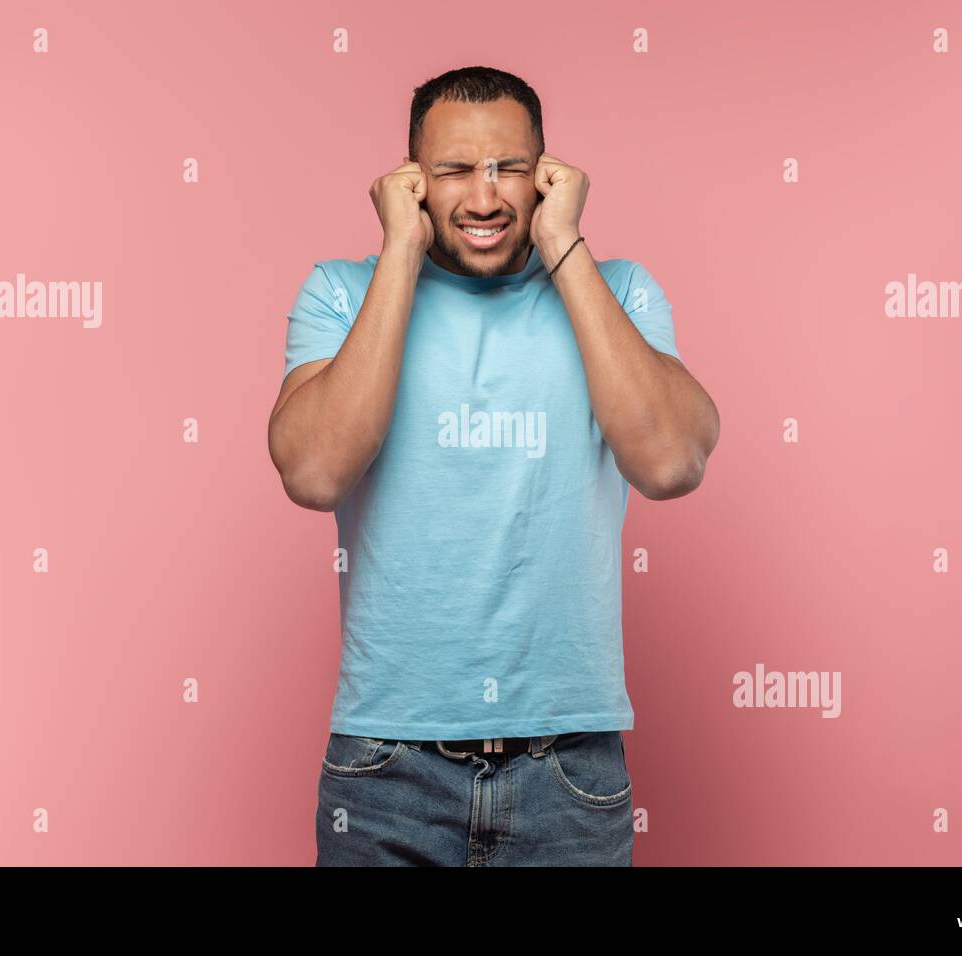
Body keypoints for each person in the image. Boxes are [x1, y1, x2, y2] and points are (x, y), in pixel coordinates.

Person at [268, 65, 720, 866]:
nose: (484, 198)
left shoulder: (620, 292)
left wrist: (563, 246)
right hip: (386, 772)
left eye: (508, 167)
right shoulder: (342, 294)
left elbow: (672, 461)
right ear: (411, 181)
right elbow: (315, 473)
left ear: (547, 173)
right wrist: (400, 250)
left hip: (571, 775)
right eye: (453, 171)